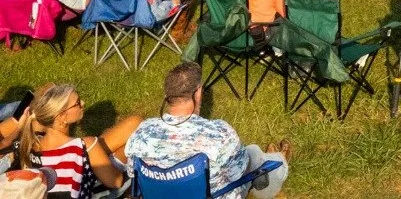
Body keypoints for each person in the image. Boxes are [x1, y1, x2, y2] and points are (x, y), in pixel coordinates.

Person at [126, 61, 290, 198]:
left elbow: (133, 176)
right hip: (216, 193)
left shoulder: (141, 133)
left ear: (166, 97)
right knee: (255, 154)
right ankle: (280, 159)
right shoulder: (220, 133)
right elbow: (238, 173)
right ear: (198, 93)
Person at [16, 83, 141, 199]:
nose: (83, 102)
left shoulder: (31, 144)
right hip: (94, 191)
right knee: (132, 142)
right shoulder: (85, 145)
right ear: (62, 117)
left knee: (134, 123)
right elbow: (116, 182)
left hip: (54, 189)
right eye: (77, 103)